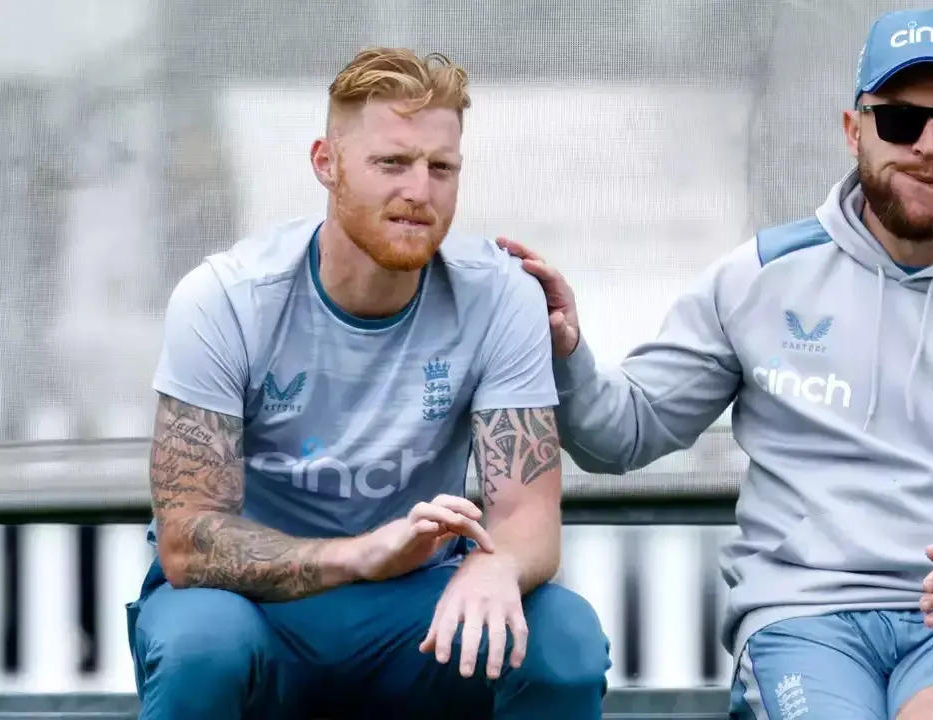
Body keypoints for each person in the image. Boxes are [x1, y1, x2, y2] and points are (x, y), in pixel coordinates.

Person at [500, 9, 933, 720]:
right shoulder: (759, 278)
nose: (928, 146)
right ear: (853, 129)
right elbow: (619, 433)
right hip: (804, 620)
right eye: (899, 121)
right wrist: (562, 349)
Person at [127, 47, 610, 720]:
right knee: (201, 646)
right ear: (326, 163)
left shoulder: (502, 293)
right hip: (258, 611)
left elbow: (527, 518)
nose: (420, 189)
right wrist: (361, 555)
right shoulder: (227, 298)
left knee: (562, 640)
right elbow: (187, 543)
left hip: (410, 611)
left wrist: (496, 566)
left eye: (441, 167)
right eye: (392, 163)